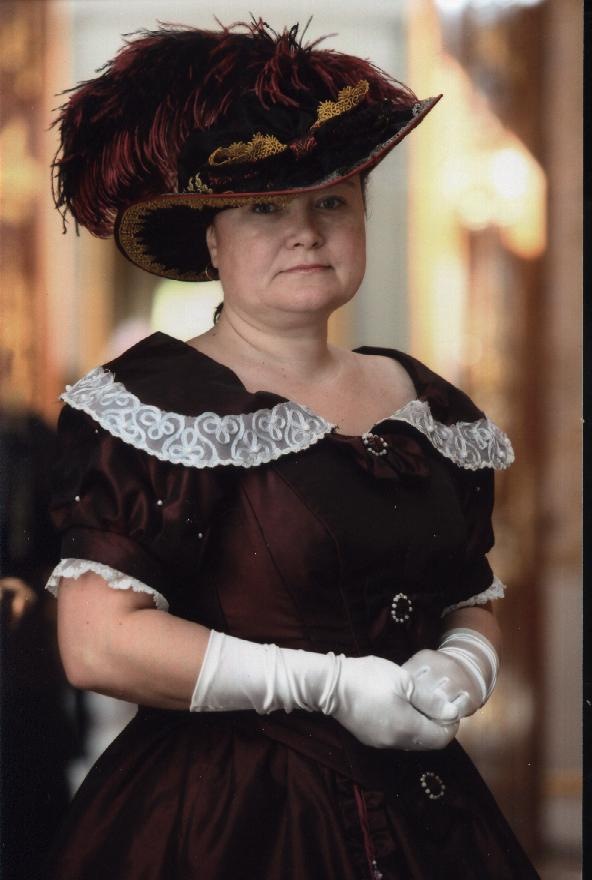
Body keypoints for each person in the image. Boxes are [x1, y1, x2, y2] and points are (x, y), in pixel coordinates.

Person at [45, 19, 539, 879]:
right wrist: (331, 685)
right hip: (223, 816)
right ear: (212, 239)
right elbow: (96, 645)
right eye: (265, 207)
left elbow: (468, 596)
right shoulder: (156, 400)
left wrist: (468, 660)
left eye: (332, 202)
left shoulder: (427, 402)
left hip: (426, 809)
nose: (306, 231)